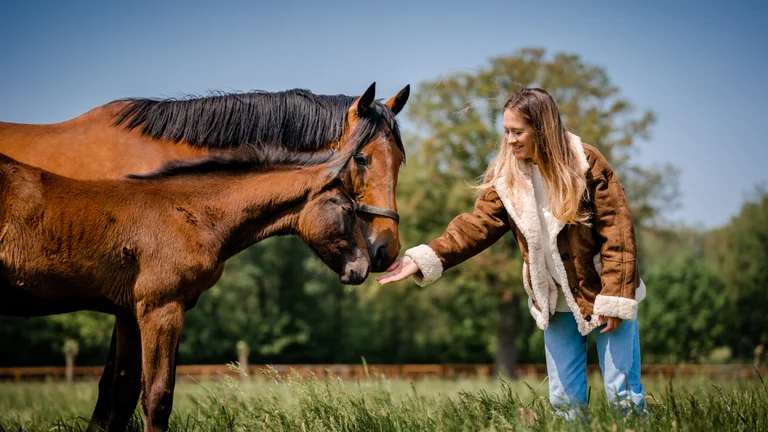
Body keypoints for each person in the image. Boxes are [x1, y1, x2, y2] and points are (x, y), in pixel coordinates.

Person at [377, 87, 646, 415]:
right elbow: (475, 227)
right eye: (506, 132)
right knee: (564, 401)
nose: (510, 140)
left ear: (542, 129)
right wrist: (421, 258)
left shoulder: (585, 163)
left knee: (623, 394)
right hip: (554, 299)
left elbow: (618, 233)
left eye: (518, 132)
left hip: (603, 293)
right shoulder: (508, 177)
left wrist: (615, 298)